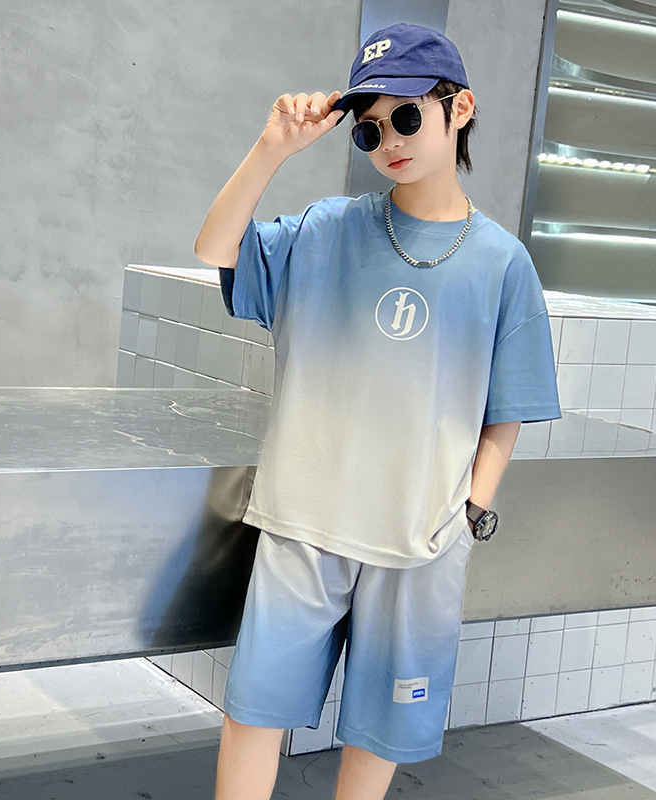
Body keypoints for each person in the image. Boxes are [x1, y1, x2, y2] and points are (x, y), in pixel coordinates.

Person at [194, 22, 561, 800]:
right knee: (254, 711)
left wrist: (469, 511)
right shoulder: (324, 231)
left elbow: (508, 408)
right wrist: (271, 150)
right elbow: (215, 249)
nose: (387, 140)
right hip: (304, 523)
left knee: (379, 729)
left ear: (460, 109)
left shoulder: (503, 263)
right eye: (368, 129)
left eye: (407, 117)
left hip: (419, 538)